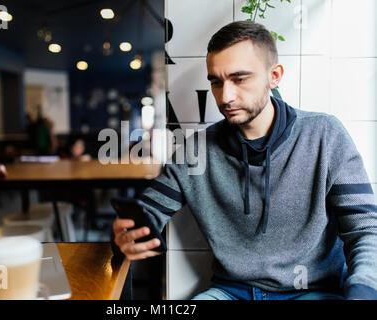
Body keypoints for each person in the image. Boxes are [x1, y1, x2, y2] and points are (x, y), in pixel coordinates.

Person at [111, 21, 377, 300]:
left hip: (312, 292)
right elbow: (149, 211)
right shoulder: (195, 151)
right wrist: (126, 236)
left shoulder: (325, 135)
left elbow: (366, 229)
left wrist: (364, 290)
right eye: (216, 81)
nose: (225, 97)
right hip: (230, 293)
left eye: (239, 79)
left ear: (274, 76)